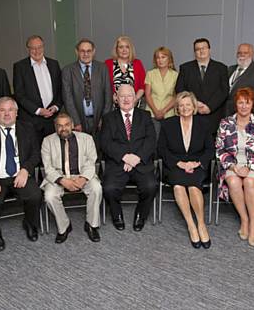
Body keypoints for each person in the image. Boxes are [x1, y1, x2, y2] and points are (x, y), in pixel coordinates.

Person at [0, 97, 43, 251]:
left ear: (16, 113)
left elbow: (35, 153)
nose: (7, 114)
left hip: (20, 174)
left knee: (35, 195)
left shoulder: (28, 128)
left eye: (10, 110)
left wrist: (25, 170)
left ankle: (30, 224)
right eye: (2, 110)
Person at [216, 87, 254, 247]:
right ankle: (244, 219)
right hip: (232, 164)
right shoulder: (226, 123)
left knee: (249, 182)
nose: (243, 106)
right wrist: (234, 167)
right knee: (234, 182)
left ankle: (253, 224)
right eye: (240, 102)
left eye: (247, 103)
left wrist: (249, 167)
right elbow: (220, 149)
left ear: (252, 104)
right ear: (236, 104)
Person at [158, 91, 214, 248]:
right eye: (181, 105)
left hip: (197, 165)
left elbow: (210, 149)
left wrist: (197, 163)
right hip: (175, 165)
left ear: (194, 106)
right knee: (178, 185)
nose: (185, 108)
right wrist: (179, 163)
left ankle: (201, 224)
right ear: (177, 108)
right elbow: (162, 149)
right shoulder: (168, 124)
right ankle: (191, 224)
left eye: (188, 104)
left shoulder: (204, 124)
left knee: (194, 186)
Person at [100, 84, 157, 232]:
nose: (126, 99)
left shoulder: (145, 116)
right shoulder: (108, 118)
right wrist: (125, 157)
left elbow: (151, 140)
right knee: (109, 188)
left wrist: (136, 158)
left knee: (150, 186)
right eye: (122, 96)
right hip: (118, 163)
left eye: (129, 96)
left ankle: (141, 215)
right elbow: (105, 143)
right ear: (116, 99)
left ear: (135, 98)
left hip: (141, 162)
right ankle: (116, 215)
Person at [40, 113, 102, 243]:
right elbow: (48, 167)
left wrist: (83, 178)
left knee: (96, 188)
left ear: (72, 125)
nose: (64, 128)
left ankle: (92, 225)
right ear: (55, 127)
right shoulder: (47, 141)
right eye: (60, 126)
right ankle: (64, 226)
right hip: (59, 176)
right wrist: (62, 181)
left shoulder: (87, 139)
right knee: (49, 196)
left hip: (81, 174)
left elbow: (91, 162)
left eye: (67, 125)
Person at [13, 35, 62, 142]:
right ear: (28, 49)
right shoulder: (20, 67)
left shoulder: (54, 64)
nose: (37, 51)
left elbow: (60, 90)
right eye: (33, 48)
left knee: (54, 153)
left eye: (39, 47)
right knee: (35, 155)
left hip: (53, 120)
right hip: (31, 121)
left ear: (43, 47)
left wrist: (56, 106)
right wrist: (38, 110)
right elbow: (19, 95)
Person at [175, 38, 229, 134]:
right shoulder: (185, 68)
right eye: (198, 49)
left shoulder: (221, 68)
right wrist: (195, 103)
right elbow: (180, 89)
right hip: (192, 114)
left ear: (209, 50)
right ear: (194, 52)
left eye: (204, 48)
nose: (201, 51)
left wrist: (209, 107)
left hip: (214, 115)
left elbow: (224, 90)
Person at [62, 38, 113, 136]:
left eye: (89, 51)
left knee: (99, 149)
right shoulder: (67, 71)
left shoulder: (102, 68)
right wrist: (76, 121)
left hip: (99, 120)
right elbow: (67, 98)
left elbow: (108, 95)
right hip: (79, 120)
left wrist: (104, 119)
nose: (86, 54)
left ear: (93, 52)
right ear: (77, 52)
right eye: (82, 51)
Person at [144, 46, 178, 138]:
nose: (160, 60)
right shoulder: (150, 74)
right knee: (153, 139)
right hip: (151, 113)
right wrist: (156, 111)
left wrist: (164, 111)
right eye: (158, 57)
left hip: (169, 113)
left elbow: (176, 96)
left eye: (163, 57)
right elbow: (147, 95)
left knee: (168, 139)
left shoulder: (176, 75)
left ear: (169, 59)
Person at [226, 43, 254, 117]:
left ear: (252, 54)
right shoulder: (230, 69)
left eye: (245, 53)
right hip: (226, 116)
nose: (242, 55)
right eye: (239, 53)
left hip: (245, 117)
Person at [104, 36, 146, 106]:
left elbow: (143, 86)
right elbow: (103, 85)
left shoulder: (137, 63)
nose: (124, 50)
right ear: (116, 49)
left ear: (130, 49)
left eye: (127, 47)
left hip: (134, 105)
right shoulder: (108, 63)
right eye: (121, 47)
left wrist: (136, 98)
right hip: (113, 106)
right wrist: (111, 97)